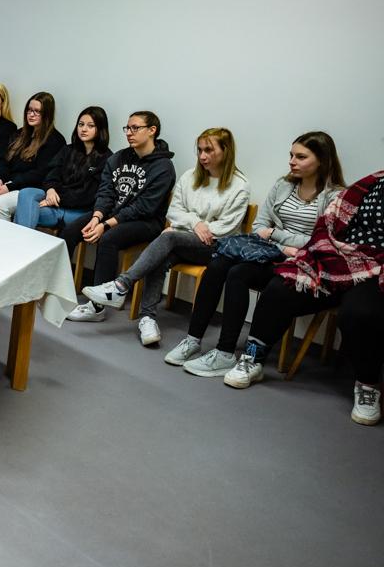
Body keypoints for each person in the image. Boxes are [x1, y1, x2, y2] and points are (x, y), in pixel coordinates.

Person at [165, 132, 346, 374]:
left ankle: (227, 352)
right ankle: (194, 341)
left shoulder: (336, 197)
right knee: (218, 265)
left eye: (301, 157)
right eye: (291, 155)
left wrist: (275, 234)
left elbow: (322, 241)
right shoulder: (283, 185)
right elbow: (259, 226)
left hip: (304, 263)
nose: (292, 161)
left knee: (238, 273)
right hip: (273, 253)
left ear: (322, 160)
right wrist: (282, 244)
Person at [221, 171, 384, 427]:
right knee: (280, 287)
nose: (292, 161)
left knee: (360, 314)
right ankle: (253, 357)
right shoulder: (371, 183)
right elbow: (329, 224)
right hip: (336, 257)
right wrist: (328, 248)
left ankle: (368, 384)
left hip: (376, 269)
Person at [81, 128, 250, 346]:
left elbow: (226, 227)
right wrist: (195, 223)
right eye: (199, 150)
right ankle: (148, 319)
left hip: (216, 247)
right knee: (160, 256)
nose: (202, 156)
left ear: (225, 151)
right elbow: (174, 211)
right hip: (184, 241)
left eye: (209, 150)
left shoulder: (239, 185)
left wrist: (186, 229)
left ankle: (121, 286)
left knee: (168, 238)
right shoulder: (190, 177)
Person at [62, 111, 176, 324]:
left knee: (108, 239)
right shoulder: (118, 158)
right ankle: (59, 288)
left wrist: (105, 225)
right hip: (111, 214)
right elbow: (106, 192)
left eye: (136, 128)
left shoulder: (164, 167)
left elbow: (144, 207)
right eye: (127, 128)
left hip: (146, 222)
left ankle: (97, 308)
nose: (129, 133)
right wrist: (96, 217)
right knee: (70, 231)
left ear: (152, 131)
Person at [0, 92, 66, 218]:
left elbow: (40, 174)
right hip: (6, 182)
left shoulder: (55, 140)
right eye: (29, 110)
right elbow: (2, 159)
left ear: (47, 114)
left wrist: (10, 186)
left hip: (29, 188)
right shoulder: (19, 134)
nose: (31, 114)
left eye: (37, 111)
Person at [14, 107, 111, 232]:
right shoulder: (68, 150)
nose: (84, 129)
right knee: (26, 194)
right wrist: (50, 190)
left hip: (78, 214)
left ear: (100, 129)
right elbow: (51, 175)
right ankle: (23, 241)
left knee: (22, 215)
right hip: (55, 209)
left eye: (90, 126)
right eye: (81, 124)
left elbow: (87, 196)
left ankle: (21, 242)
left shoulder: (107, 158)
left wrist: (55, 198)